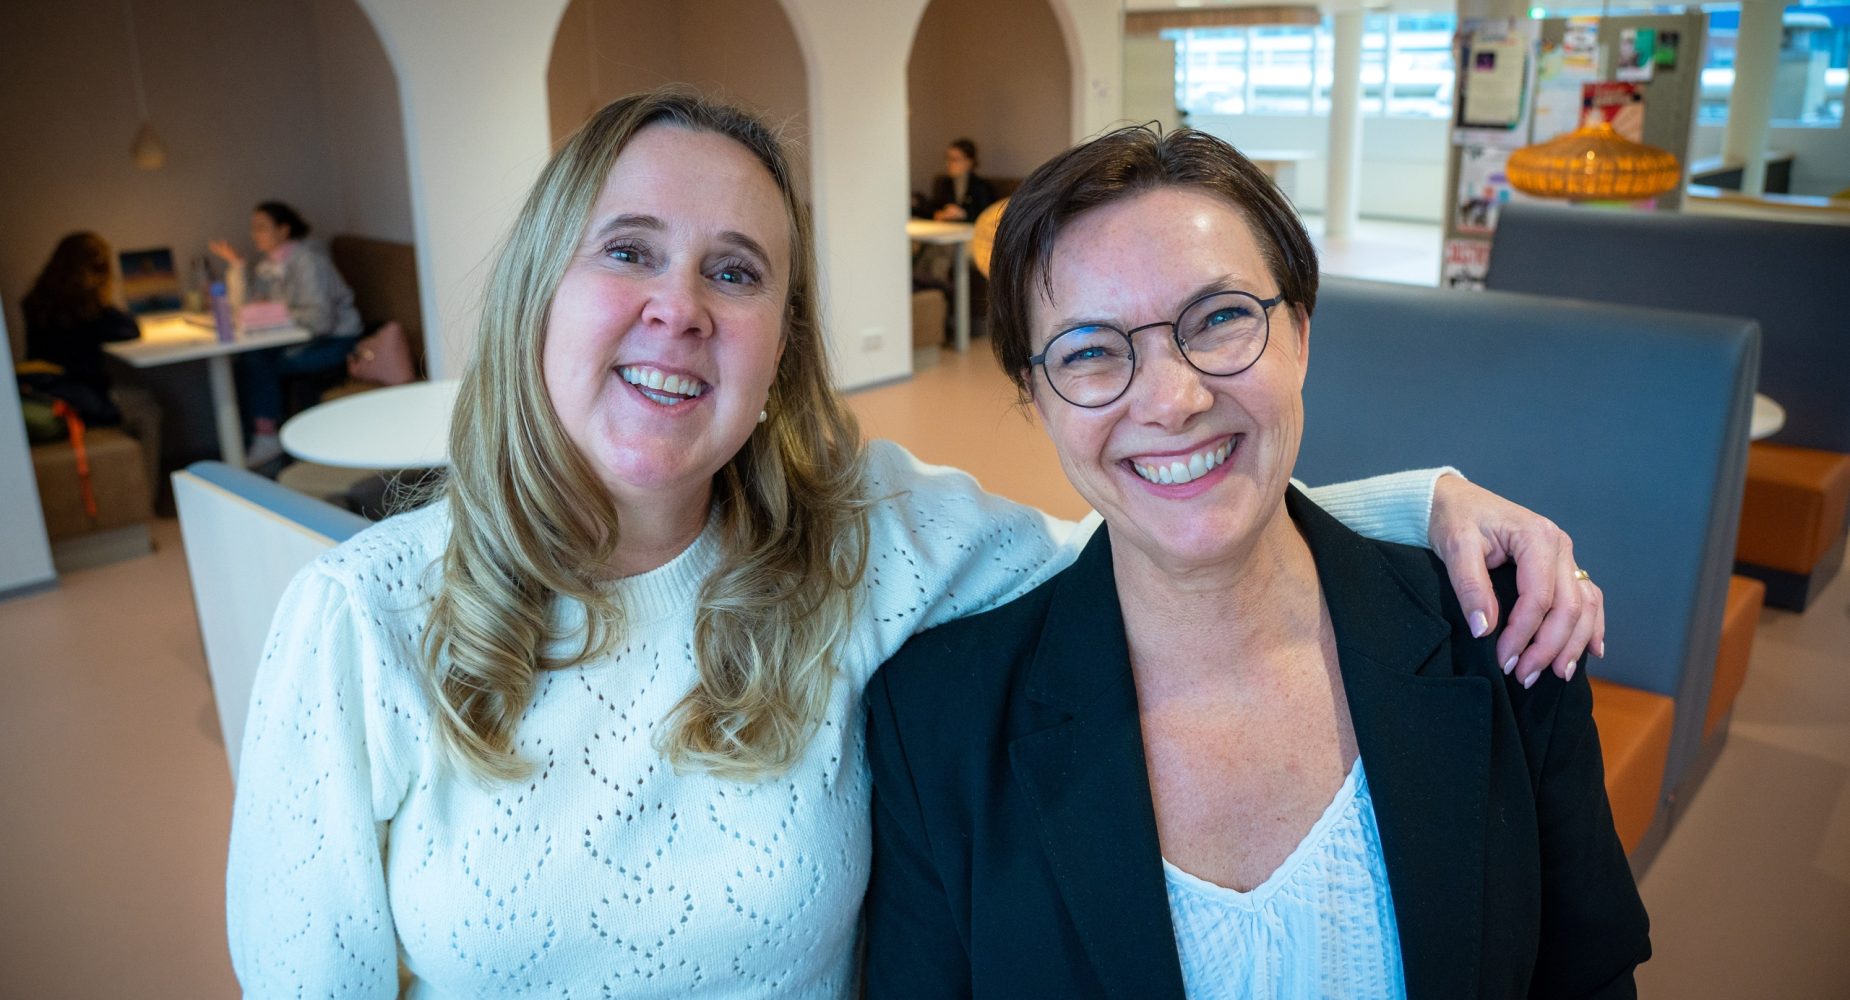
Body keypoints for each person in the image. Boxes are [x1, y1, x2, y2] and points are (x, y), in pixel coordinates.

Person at [226, 90, 1604, 997]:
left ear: (781, 349)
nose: (680, 308)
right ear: (539, 293)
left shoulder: (859, 543)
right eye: (628, 251)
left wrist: (1414, 507)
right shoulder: (362, 622)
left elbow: (1143, 513)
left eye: (736, 270)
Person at [861, 125, 1648, 999]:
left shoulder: (1505, 639)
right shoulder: (935, 726)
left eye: (1221, 318)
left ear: (1299, 336)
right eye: (1089, 351)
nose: (1173, 400)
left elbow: (1590, 979)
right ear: (1036, 399)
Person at [209, 200, 363, 466]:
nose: (254, 234)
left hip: (336, 340)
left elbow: (320, 321)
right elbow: (244, 307)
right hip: (302, 340)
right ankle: (261, 439)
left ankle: (267, 438)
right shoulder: (269, 265)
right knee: (249, 361)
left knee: (260, 364)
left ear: (284, 230)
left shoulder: (308, 261)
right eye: (253, 228)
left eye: (262, 228)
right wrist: (237, 267)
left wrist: (273, 315)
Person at [21, 231, 163, 493]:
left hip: (46, 396)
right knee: (147, 407)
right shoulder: (88, 306)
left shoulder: (35, 301)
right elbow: (129, 328)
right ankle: (147, 495)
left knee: (139, 401)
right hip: (83, 401)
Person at [916, 138, 998, 223]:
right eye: (947, 159)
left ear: (969, 162)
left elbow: (989, 214)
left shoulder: (982, 187)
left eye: (954, 159)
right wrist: (939, 214)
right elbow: (933, 207)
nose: (948, 164)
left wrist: (964, 214)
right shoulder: (945, 184)